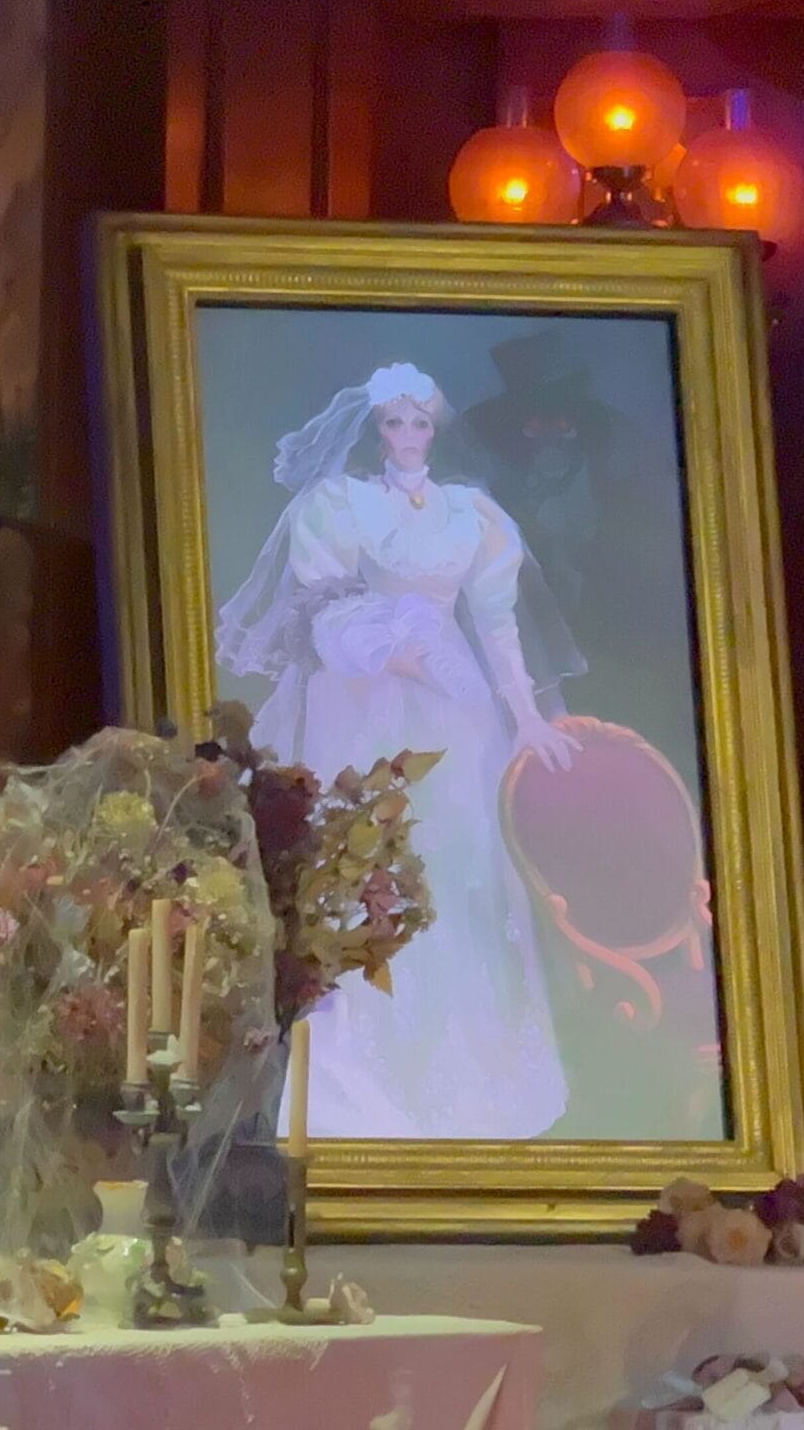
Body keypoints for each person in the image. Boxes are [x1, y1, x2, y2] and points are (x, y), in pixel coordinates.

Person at [218, 363, 579, 1139]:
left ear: (435, 430)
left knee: (461, 863)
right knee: (363, 858)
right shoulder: (343, 505)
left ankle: (469, 1074)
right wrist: (381, 648)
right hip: (368, 696)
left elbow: (498, 624)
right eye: (394, 424)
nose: (408, 437)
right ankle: (350, 1081)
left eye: (420, 424)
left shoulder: (470, 515)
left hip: (452, 702)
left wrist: (525, 713)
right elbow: (323, 606)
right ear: (376, 430)